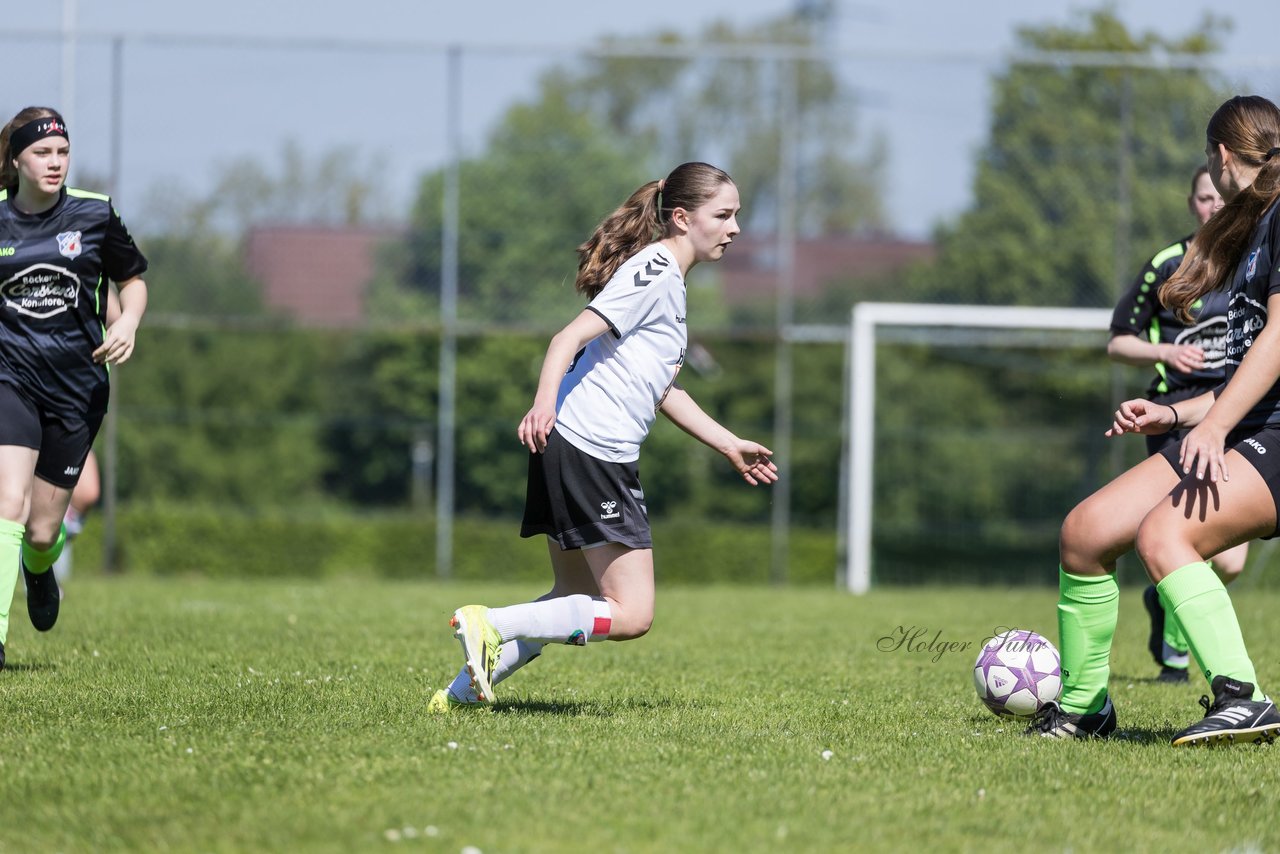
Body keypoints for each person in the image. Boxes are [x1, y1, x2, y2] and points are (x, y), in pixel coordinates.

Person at [429, 162, 778, 712]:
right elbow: (566, 337)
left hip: (571, 445)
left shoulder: (669, 281)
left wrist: (728, 443)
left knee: (573, 598)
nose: (735, 228)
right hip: (591, 447)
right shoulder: (657, 269)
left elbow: (664, 390)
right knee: (632, 614)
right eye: (725, 215)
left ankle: (458, 696)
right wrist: (542, 405)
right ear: (683, 218)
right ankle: (488, 623)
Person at [1029, 95, 1280, 746]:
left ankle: (1243, 696)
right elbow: (1239, 374)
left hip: (1274, 435)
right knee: (1085, 533)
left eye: (1207, 157)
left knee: (1166, 536)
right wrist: (1173, 411)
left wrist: (1215, 427)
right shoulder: (1253, 232)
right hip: (1248, 421)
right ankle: (1085, 708)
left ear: (1221, 157)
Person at [0, 107, 149, 669]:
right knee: (6, 502)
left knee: (41, 531)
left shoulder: (93, 213)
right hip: (9, 377)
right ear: (16, 159)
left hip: (77, 388)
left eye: (62, 152)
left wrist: (127, 322)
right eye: (42, 153)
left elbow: (131, 280)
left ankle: (39, 571)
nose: (55, 162)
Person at [1107, 166, 1247, 683]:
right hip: (1174, 416)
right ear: (1192, 203)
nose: (1214, 206)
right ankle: (1175, 663)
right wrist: (1161, 349)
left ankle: (1162, 599)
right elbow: (1118, 339)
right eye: (1203, 198)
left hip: (1233, 412)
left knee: (1229, 563)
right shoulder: (1170, 262)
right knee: (1180, 537)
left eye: (1220, 196)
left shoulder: (1252, 261)